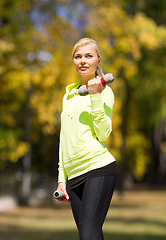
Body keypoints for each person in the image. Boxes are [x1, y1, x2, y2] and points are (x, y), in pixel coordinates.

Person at [55, 38, 118, 240]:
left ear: (98, 60)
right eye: (78, 56)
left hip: (97, 169)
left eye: (88, 56)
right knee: (90, 235)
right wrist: (61, 180)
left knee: (88, 236)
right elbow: (64, 138)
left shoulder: (105, 92)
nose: (82, 61)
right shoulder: (69, 95)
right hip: (73, 176)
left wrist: (95, 96)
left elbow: (104, 133)